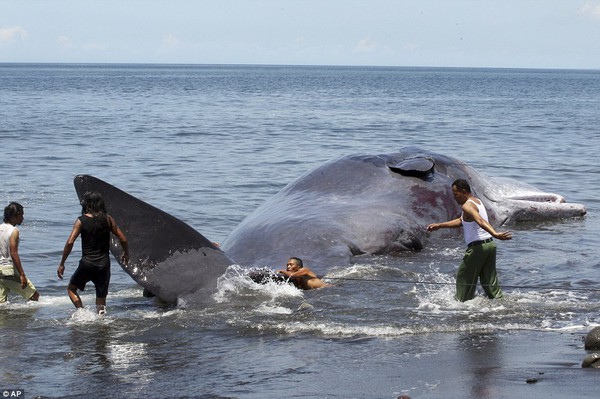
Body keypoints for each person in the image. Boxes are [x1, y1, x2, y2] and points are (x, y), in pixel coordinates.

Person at [427, 179, 512, 302]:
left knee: (464, 278)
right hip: (489, 245)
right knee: (489, 281)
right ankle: (500, 303)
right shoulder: (477, 201)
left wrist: (495, 233)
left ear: (463, 191)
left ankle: (462, 306)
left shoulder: (467, 206)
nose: (454, 198)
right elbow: (462, 221)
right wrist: (439, 225)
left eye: (456, 194)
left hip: (477, 248)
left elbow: (480, 221)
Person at [57, 192, 129, 314]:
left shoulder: (81, 221)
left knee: (71, 289)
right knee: (101, 300)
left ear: (86, 204)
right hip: (103, 265)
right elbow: (123, 239)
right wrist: (126, 253)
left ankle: (82, 313)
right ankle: (101, 322)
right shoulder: (108, 219)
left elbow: (70, 242)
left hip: (87, 264)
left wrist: (62, 263)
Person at [0, 202, 40, 303]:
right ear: (14, 216)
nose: (22, 218)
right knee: (34, 295)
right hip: (8, 269)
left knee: (1, 303)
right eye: (21, 215)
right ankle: (27, 318)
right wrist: (22, 274)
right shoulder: (14, 231)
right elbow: (13, 253)